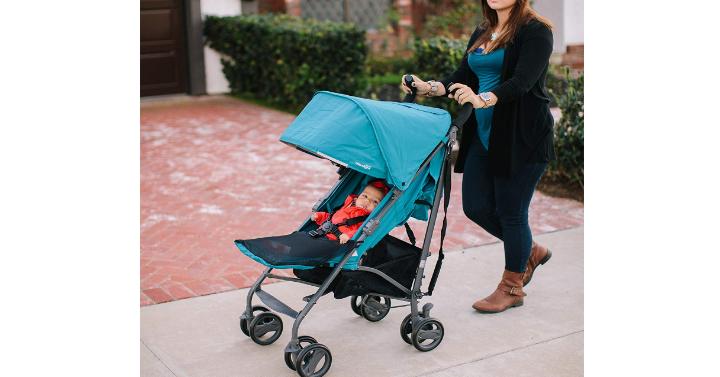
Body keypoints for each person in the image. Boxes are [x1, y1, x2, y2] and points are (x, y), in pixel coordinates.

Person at [401, 0, 554, 313]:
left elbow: (522, 83)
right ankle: (528, 250)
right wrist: (427, 86)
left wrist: (482, 99)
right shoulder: (484, 30)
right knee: (475, 206)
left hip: (522, 137)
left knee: (512, 213)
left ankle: (512, 287)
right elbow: (463, 76)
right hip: (484, 137)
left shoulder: (536, 31)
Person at [310, 180, 389, 244]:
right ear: (357, 197)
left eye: (375, 201)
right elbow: (332, 218)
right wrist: (319, 216)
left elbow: (360, 232)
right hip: (321, 234)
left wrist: (349, 235)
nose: (367, 201)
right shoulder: (347, 206)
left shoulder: (366, 218)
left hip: (335, 242)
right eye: (365, 196)